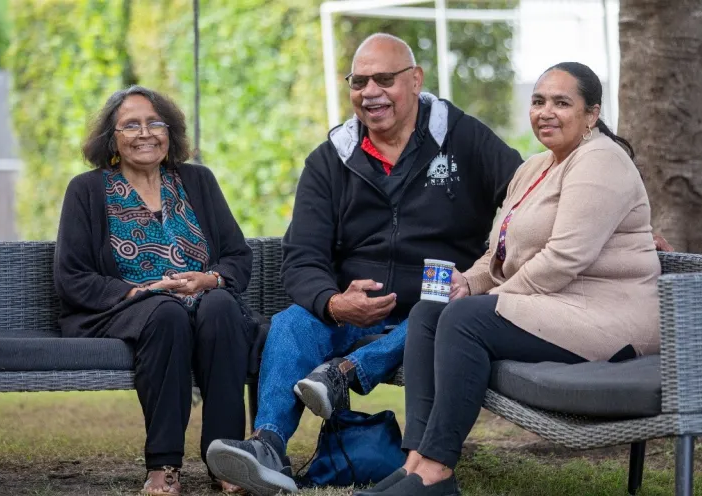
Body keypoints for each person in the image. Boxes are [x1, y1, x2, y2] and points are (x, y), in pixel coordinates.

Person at [205, 33, 524, 495]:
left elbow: (529, 194)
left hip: (438, 305)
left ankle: (344, 374)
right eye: (359, 81)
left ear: (415, 81)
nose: (370, 92)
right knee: (293, 322)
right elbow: (302, 257)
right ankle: (268, 447)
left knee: (436, 316)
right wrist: (333, 303)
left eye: (384, 79)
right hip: (350, 310)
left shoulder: (464, 138)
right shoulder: (328, 161)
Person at [360, 62, 662, 496]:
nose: (546, 112)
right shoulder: (535, 167)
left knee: (465, 320)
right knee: (430, 311)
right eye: (538, 101)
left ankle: (437, 471)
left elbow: (563, 259)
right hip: (554, 304)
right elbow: (498, 254)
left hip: (607, 318)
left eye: (562, 102)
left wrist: (487, 299)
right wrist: (468, 284)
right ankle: (415, 463)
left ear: (592, 113)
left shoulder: (600, 161)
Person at [54, 85, 255, 495]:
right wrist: (143, 291)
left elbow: (237, 255)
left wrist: (210, 279)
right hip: (127, 308)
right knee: (167, 314)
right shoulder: (87, 190)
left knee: (220, 308)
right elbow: (72, 275)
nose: (145, 133)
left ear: (170, 132)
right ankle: (164, 466)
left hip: (201, 302)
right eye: (131, 125)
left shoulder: (197, 180)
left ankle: (226, 456)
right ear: (112, 140)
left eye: (154, 123)